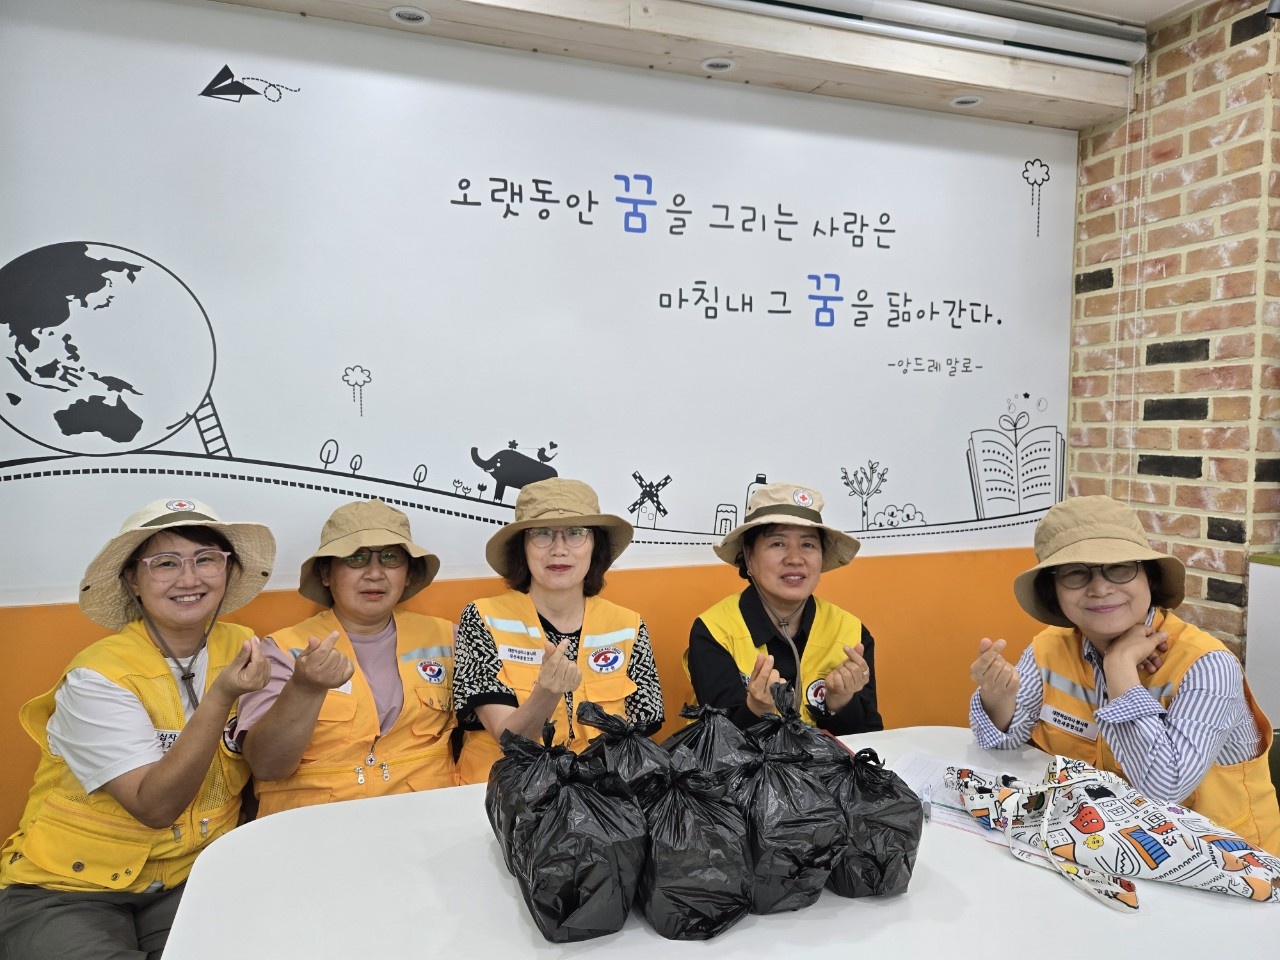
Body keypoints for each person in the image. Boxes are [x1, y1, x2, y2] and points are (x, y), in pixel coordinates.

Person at [0, 497, 275, 959]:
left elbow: (268, 762)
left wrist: (306, 688)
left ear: (227, 570)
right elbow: (154, 807)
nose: (189, 579)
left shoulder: (246, 646)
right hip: (67, 887)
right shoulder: (96, 676)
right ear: (133, 581)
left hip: (191, 879)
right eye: (165, 563)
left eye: (206, 559)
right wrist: (221, 696)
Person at [969, 495, 1280, 852]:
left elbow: (1164, 788)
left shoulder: (1208, 665)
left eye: (1119, 568)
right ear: (1053, 590)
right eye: (1076, 573)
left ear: (1149, 577)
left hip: (1228, 861)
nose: (1100, 588)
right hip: (1106, 845)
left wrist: (1119, 668)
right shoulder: (1047, 649)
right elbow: (1000, 747)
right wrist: (998, 699)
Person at [237, 499, 457, 815]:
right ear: (326, 573)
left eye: (391, 557)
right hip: (314, 828)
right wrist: (304, 688)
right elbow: (267, 765)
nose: (375, 574)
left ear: (409, 573)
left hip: (426, 821)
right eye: (355, 558)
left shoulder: (448, 637)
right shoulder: (283, 649)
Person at [452, 478, 664, 784]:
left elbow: (639, 740)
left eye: (576, 533)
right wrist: (547, 693)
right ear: (522, 547)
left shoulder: (629, 626)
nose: (559, 549)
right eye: (542, 534)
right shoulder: (482, 619)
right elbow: (508, 741)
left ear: (595, 545)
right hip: (503, 796)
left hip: (601, 799)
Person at [687, 481, 884, 733]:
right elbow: (717, 742)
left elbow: (868, 739)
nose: (795, 559)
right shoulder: (714, 631)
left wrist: (839, 702)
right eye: (778, 543)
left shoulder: (852, 632)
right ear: (749, 557)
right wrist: (755, 709)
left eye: (808, 545)